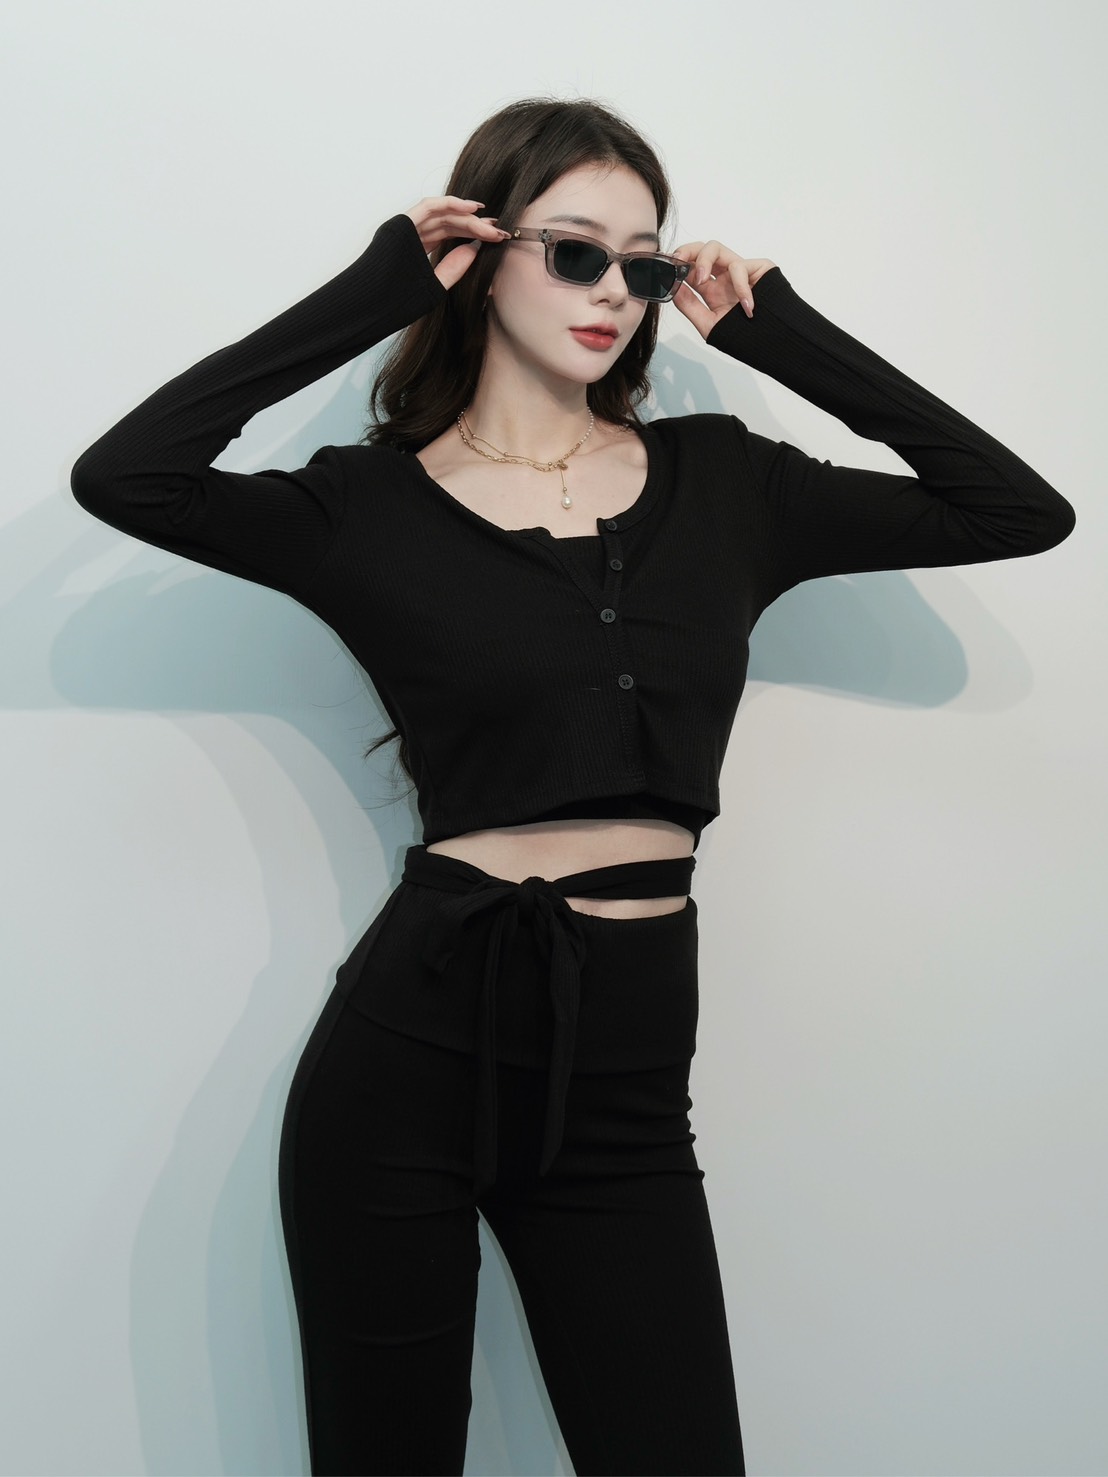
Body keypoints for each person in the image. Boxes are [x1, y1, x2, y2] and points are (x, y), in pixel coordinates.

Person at [70, 96, 1074, 1477]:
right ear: (483, 258)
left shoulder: (731, 485)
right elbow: (128, 477)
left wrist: (783, 334)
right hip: (411, 1056)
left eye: (642, 262)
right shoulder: (362, 508)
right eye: (577, 251)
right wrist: (370, 293)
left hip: (626, 1085)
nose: (615, 291)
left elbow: (1014, 509)